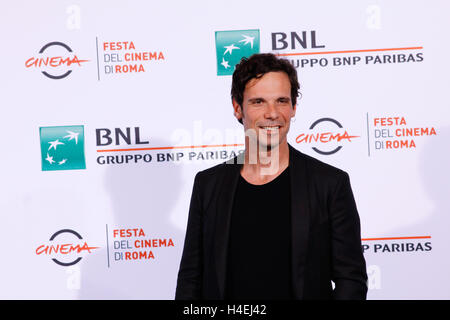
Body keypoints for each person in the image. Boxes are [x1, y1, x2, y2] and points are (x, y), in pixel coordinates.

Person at [175, 53, 367, 300]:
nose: (272, 113)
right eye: (258, 102)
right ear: (237, 108)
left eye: (282, 101)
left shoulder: (329, 183)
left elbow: (350, 279)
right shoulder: (209, 184)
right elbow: (191, 279)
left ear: (294, 107)